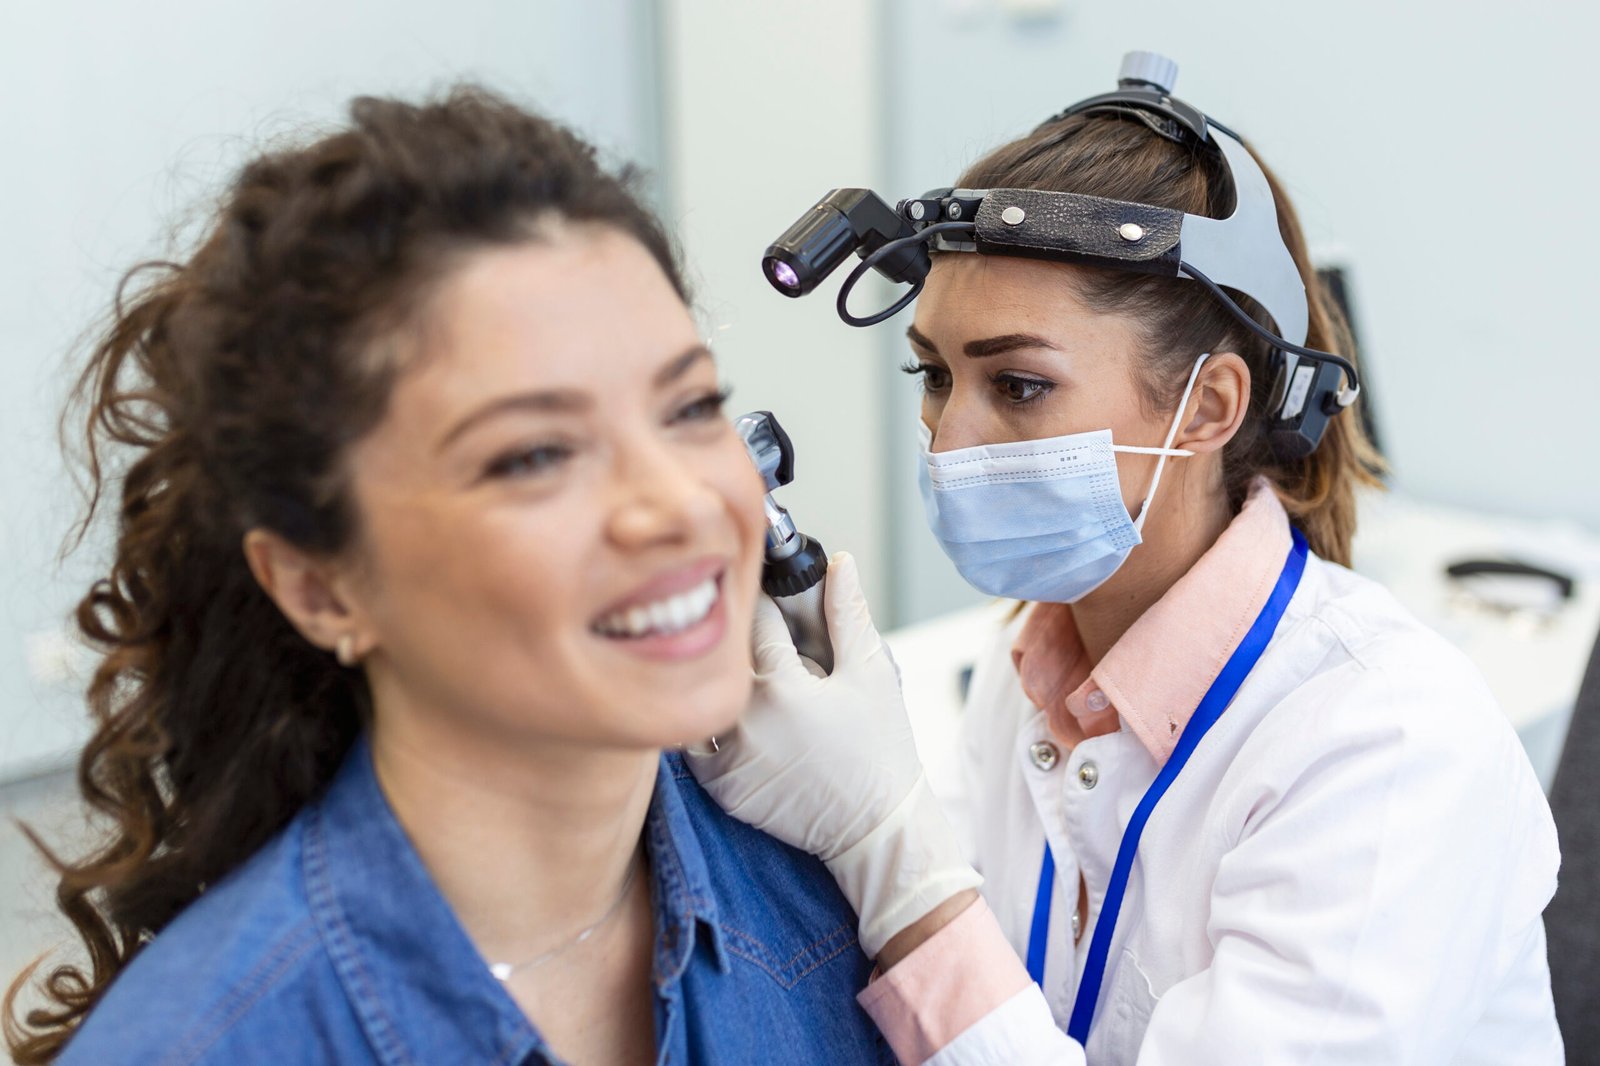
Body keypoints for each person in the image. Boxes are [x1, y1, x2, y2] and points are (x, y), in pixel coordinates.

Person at [3, 88, 905, 1066]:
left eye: (687, 407)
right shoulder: (207, 1044)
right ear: (319, 586)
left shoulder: (822, 887)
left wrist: (910, 867)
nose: (680, 505)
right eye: (532, 456)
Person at [689, 59, 1564, 1063]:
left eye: (1017, 386)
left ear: (1209, 406)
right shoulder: (1033, 670)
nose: (947, 440)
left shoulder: (1389, 746)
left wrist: (888, 841)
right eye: (932, 375)